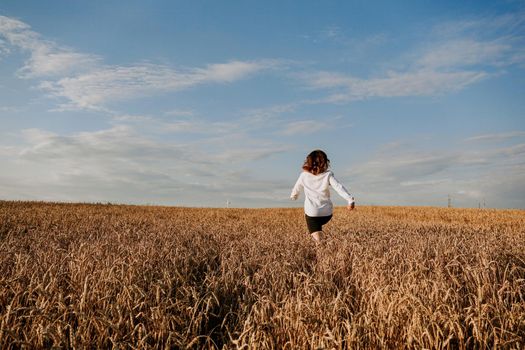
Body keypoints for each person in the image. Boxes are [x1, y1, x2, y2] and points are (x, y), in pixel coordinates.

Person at [290, 150, 355, 244]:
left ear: (308, 162)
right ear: (325, 163)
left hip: (312, 213)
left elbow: (296, 189)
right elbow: (338, 187)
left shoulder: (303, 176)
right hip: (327, 213)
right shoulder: (328, 175)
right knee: (318, 227)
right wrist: (350, 200)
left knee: (315, 233)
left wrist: (294, 196)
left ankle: (320, 243)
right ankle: (321, 237)